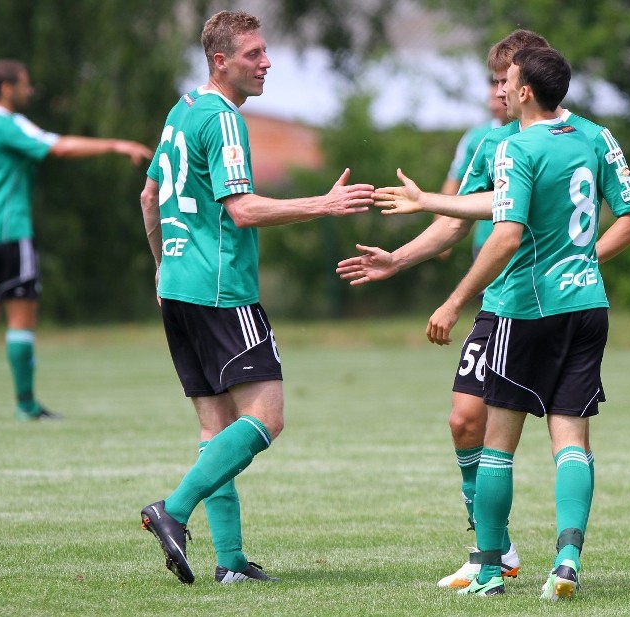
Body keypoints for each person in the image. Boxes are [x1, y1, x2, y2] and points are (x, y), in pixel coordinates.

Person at [336, 29, 630, 591]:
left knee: (498, 440)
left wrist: (456, 296)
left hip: (516, 302)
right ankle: (557, 559)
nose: (495, 92)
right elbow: (462, 219)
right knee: (494, 425)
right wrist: (402, 254)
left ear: (523, 84)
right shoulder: (578, 138)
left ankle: (489, 563)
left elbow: (503, 226)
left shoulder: (517, 146)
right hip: (580, 304)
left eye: (502, 80)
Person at [138, 10, 373, 586]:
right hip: (222, 292)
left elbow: (148, 195)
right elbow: (240, 210)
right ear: (221, 62)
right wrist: (322, 205)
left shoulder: (182, 110)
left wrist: (164, 266)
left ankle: (231, 562)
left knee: (216, 430)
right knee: (266, 417)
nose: (267, 62)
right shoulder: (221, 119)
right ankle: (172, 509)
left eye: (266, 52)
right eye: (254, 54)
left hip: (179, 292)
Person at [0, 59, 153, 421]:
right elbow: (58, 147)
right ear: (6, 88)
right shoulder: (4, 125)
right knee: (20, 316)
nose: (30, 91)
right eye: (25, 85)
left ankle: (27, 404)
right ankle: (26, 406)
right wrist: (115, 145)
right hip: (9, 232)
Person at [440, 79, 508, 262]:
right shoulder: (477, 137)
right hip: (486, 241)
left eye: (497, 98)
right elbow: (454, 180)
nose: (492, 105)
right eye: (490, 98)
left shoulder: (536, 135)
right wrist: (441, 229)